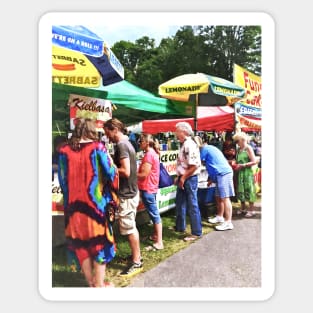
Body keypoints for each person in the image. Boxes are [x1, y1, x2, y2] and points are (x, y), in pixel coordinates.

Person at [58, 118, 119, 287]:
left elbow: (63, 181)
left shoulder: (64, 150)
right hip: (95, 206)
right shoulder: (98, 148)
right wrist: (112, 165)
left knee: (80, 244)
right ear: (92, 131)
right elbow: (111, 173)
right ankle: (98, 286)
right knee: (99, 242)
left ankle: (91, 282)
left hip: (73, 207)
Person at [103, 118, 143, 277]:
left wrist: (109, 166)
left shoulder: (121, 145)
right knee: (129, 226)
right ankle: (136, 256)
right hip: (131, 191)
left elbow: (125, 171)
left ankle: (137, 262)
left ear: (114, 129)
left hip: (127, 193)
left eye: (108, 133)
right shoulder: (127, 143)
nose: (108, 137)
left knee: (129, 228)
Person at [194, 136, 235, 231]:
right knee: (218, 196)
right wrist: (211, 179)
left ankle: (228, 222)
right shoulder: (209, 148)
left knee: (225, 198)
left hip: (223, 173)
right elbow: (212, 163)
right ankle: (220, 216)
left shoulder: (204, 149)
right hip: (219, 174)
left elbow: (197, 163)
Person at [174, 122, 202, 241]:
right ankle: (180, 226)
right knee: (180, 202)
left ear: (184, 131)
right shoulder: (184, 144)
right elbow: (184, 164)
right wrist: (179, 176)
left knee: (192, 204)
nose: (175, 132)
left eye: (177, 130)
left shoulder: (189, 144)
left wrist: (183, 177)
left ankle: (196, 232)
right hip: (185, 176)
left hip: (190, 178)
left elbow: (194, 165)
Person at [137, 133, 164, 250]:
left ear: (146, 143)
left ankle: (159, 242)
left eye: (140, 141)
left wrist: (132, 174)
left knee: (154, 215)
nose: (139, 143)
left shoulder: (149, 155)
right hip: (151, 187)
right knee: (154, 214)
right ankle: (156, 236)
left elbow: (144, 174)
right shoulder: (153, 153)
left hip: (147, 187)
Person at [233, 132, 258, 217]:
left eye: (237, 141)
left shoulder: (248, 148)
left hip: (247, 172)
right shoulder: (239, 149)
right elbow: (237, 161)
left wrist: (244, 165)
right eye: (236, 141)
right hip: (240, 173)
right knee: (241, 190)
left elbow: (254, 161)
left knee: (249, 190)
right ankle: (243, 208)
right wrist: (235, 163)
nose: (236, 143)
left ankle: (251, 210)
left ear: (243, 140)